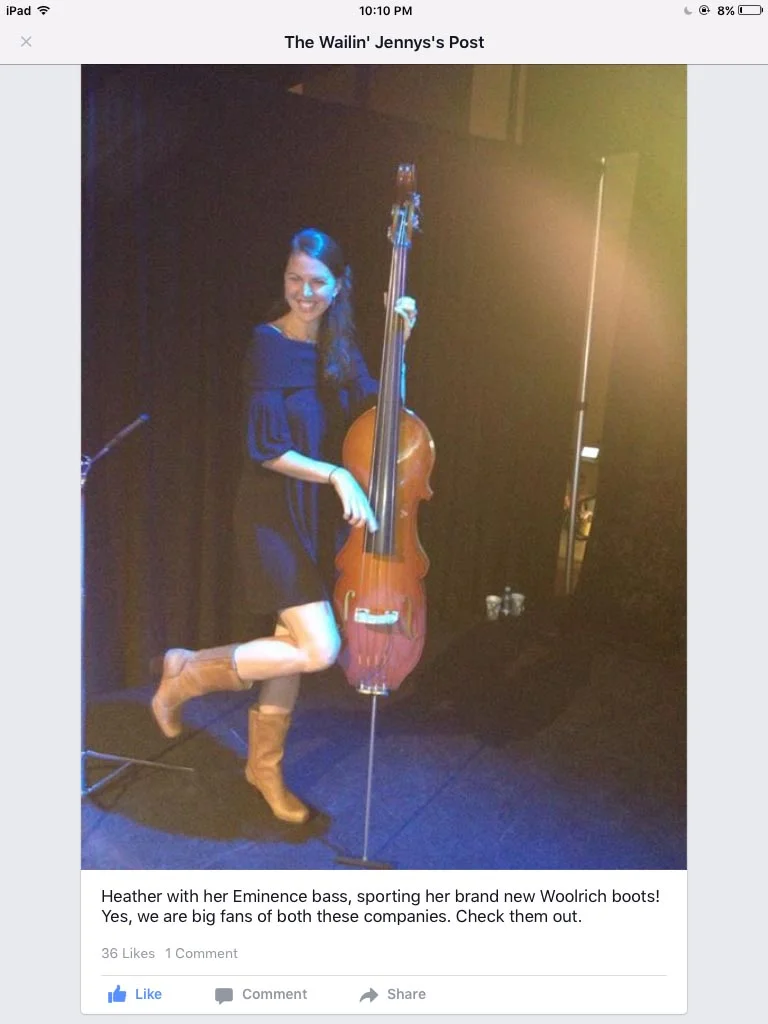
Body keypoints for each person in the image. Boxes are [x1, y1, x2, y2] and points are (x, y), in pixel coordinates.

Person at [151, 228, 417, 824]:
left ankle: (263, 768)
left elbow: (386, 417)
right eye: (295, 278)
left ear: (339, 286)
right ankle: (187, 674)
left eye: (317, 281)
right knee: (319, 648)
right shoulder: (267, 344)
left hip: (314, 520)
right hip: (270, 511)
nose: (304, 291)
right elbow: (265, 446)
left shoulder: (338, 349)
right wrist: (337, 477)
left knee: (290, 647)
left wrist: (400, 341)